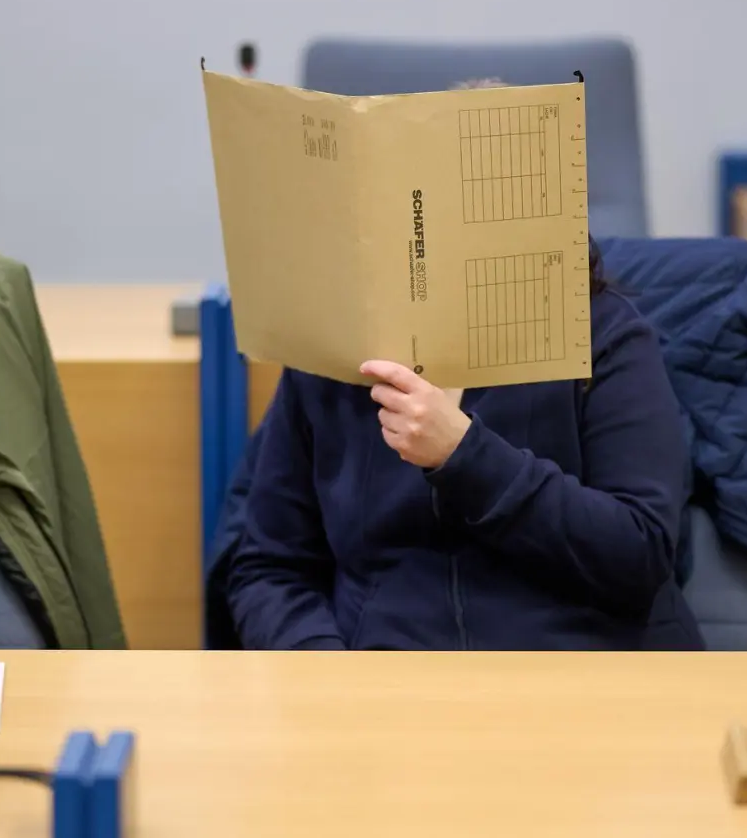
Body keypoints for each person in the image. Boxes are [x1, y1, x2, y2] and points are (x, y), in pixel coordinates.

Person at [222, 78, 701, 651]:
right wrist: (326, 668)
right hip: (387, 688)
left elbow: (640, 554)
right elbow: (269, 568)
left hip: (576, 676)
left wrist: (464, 456)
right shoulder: (337, 350)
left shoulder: (604, 335)